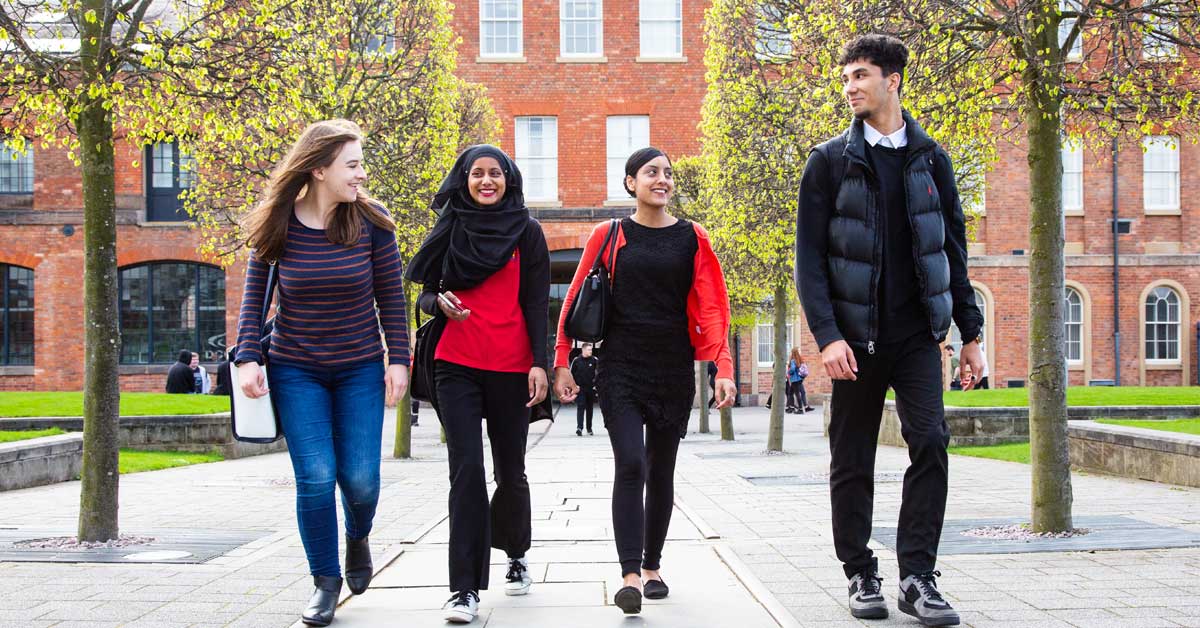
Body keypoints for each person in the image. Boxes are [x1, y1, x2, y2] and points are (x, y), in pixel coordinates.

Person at [795, 34, 984, 627]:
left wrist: (969, 333)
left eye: (860, 75)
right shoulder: (829, 162)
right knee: (852, 457)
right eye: (846, 77)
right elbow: (809, 260)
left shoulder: (932, 158)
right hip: (853, 339)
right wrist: (827, 336)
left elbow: (952, 248)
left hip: (917, 337)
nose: (850, 86)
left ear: (893, 79)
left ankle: (917, 576)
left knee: (930, 441)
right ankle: (860, 572)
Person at [235, 119, 410, 628]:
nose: (361, 174)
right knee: (314, 477)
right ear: (318, 169)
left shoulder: (372, 224)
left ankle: (358, 536)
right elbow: (255, 299)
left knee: (359, 480)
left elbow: (390, 299)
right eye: (352, 165)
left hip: (358, 367)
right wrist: (249, 356)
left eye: (360, 163)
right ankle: (325, 582)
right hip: (296, 368)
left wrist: (397, 358)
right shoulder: (278, 224)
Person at [553, 147, 737, 616]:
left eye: (668, 173)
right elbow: (575, 299)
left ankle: (654, 566)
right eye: (651, 172)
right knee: (631, 464)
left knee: (661, 469)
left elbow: (713, 305)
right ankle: (630, 575)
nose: (662, 179)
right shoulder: (608, 234)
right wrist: (560, 361)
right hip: (621, 368)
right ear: (631, 182)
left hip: (673, 368)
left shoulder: (693, 237)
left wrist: (724, 367)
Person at [405, 145, 550, 624]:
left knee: (510, 470)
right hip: (456, 364)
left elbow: (534, 304)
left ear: (509, 178)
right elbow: (423, 291)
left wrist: (540, 364)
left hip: (511, 366)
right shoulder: (450, 226)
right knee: (466, 469)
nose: (486, 181)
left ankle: (514, 552)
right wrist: (437, 305)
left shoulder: (527, 232)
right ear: (463, 180)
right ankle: (463, 589)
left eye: (495, 174)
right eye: (476, 174)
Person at [570, 343, 598, 436]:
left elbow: (599, 373)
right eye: (589, 350)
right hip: (580, 388)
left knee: (590, 409)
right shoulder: (576, 361)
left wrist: (596, 385)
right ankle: (579, 428)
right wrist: (574, 387)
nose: (591, 351)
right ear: (583, 350)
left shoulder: (594, 360)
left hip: (591, 388)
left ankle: (589, 428)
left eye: (591, 350)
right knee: (581, 407)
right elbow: (571, 375)